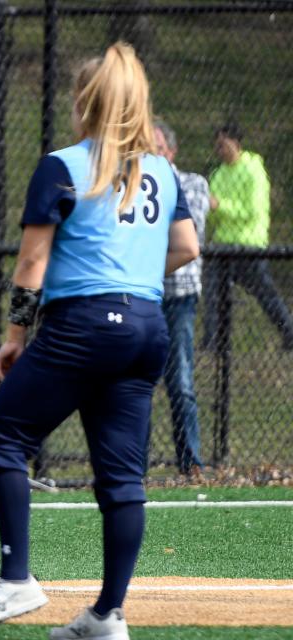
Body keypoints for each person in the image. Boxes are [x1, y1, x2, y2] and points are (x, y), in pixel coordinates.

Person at [0, 43, 199, 639]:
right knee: (122, 479)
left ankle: (16, 580)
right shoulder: (162, 171)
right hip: (147, 327)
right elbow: (188, 248)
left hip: (83, 325)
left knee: (0, 439)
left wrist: (14, 336)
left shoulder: (63, 165)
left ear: (83, 103)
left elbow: (32, 261)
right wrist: (130, 276)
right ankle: (107, 616)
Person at [203, 121, 293, 350]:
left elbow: (251, 211)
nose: (220, 150)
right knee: (213, 293)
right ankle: (214, 340)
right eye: (217, 146)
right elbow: (214, 216)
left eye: (223, 145)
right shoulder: (218, 174)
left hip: (248, 244)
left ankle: (289, 332)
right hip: (223, 245)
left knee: (265, 294)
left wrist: (220, 205)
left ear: (236, 143)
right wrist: (210, 209)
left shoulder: (253, 170)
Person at [154, 120, 208, 479]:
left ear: (171, 152)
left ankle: (192, 465)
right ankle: (134, 467)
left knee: (182, 383)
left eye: (157, 148)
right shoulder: (139, 185)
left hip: (179, 296)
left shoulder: (192, 183)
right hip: (147, 296)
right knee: (138, 384)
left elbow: (188, 239)